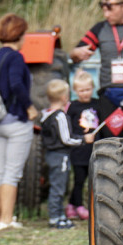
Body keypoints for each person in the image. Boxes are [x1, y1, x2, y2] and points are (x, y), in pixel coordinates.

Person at [0, 13, 38, 232]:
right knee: (12, 173)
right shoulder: (16, 57)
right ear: (20, 34)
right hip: (16, 119)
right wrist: (29, 106)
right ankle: (7, 219)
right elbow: (17, 84)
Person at [40, 80, 95, 229]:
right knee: (59, 187)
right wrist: (84, 139)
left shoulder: (46, 114)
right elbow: (66, 139)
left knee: (58, 185)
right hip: (61, 155)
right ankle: (55, 217)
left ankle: (59, 215)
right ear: (64, 98)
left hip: (52, 154)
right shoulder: (60, 116)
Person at [67, 70, 98, 220]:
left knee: (88, 179)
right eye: (81, 90)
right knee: (79, 180)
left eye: (87, 89)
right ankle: (78, 205)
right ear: (75, 91)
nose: (85, 93)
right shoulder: (73, 107)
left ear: (92, 88)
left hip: (92, 150)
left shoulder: (97, 104)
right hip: (78, 151)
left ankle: (71, 204)